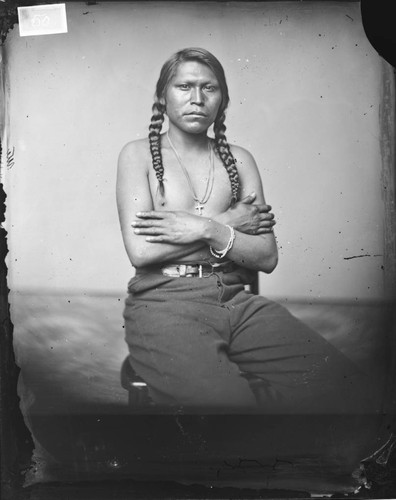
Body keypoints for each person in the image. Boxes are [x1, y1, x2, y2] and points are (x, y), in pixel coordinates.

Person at [116, 47, 372, 413]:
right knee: (231, 408)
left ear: (223, 99)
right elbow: (141, 252)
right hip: (163, 304)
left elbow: (266, 256)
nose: (197, 99)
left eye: (210, 88)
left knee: (347, 386)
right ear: (162, 96)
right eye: (184, 87)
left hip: (234, 299)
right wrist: (229, 225)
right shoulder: (137, 155)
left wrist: (203, 229)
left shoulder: (240, 160)